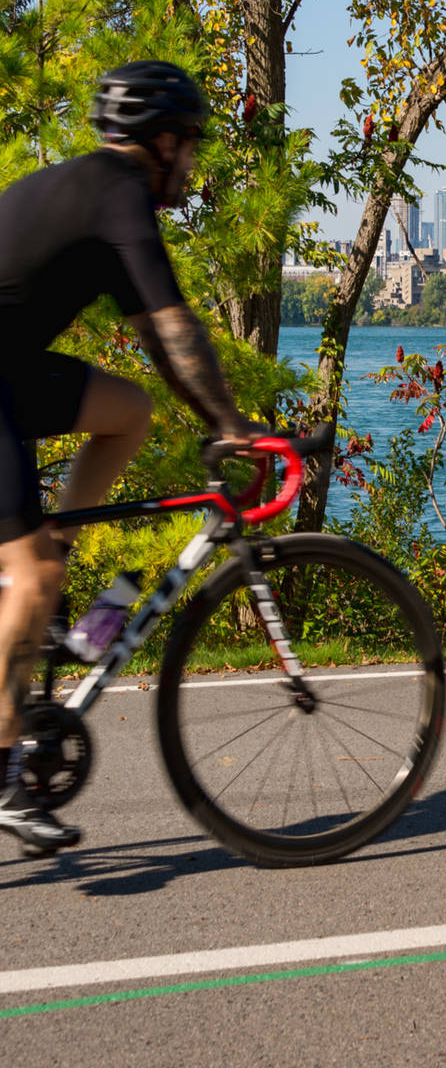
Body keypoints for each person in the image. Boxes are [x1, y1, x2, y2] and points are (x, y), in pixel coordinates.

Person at [0, 60, 260, 857]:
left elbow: (155, 339)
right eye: (192, 147)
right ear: (165, 141)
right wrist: (233, 427)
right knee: (32, 580)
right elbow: (180, 328)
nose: (194, 164)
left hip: (8, 370)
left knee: (129, 411)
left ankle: (59, 563)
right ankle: (7, 779)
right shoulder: (121, 196)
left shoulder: (101, 197)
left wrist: (212, 417)